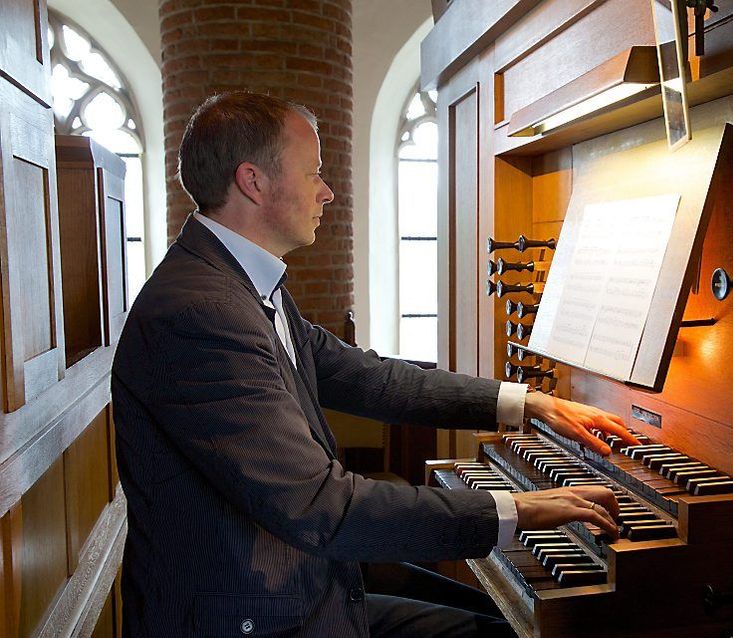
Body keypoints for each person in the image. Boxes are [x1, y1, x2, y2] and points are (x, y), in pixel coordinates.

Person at [111, 91, 640, 638]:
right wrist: (516, 510)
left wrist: (525, 402)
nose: (328, 192)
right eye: (314, 172)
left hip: (291, 587)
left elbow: (369, 378)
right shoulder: (203, 311)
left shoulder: (239, 283)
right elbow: (323, 506)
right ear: (254, 181)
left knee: (506, 622)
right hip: (257, 617)